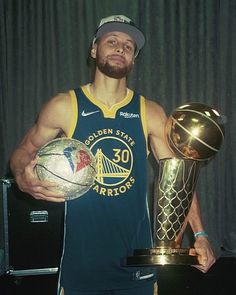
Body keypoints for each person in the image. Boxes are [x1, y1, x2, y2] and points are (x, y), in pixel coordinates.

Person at [10, 15, 216, 295]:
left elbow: (179, 178)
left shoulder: (150, 112)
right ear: (94, 50)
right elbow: (23, 151)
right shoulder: (65, 106)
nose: (120, 48)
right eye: (112, 41)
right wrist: (23, 178)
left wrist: (200, 234)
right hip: (81, 264)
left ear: (133, 60)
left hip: (136, 263)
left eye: (128, 46)